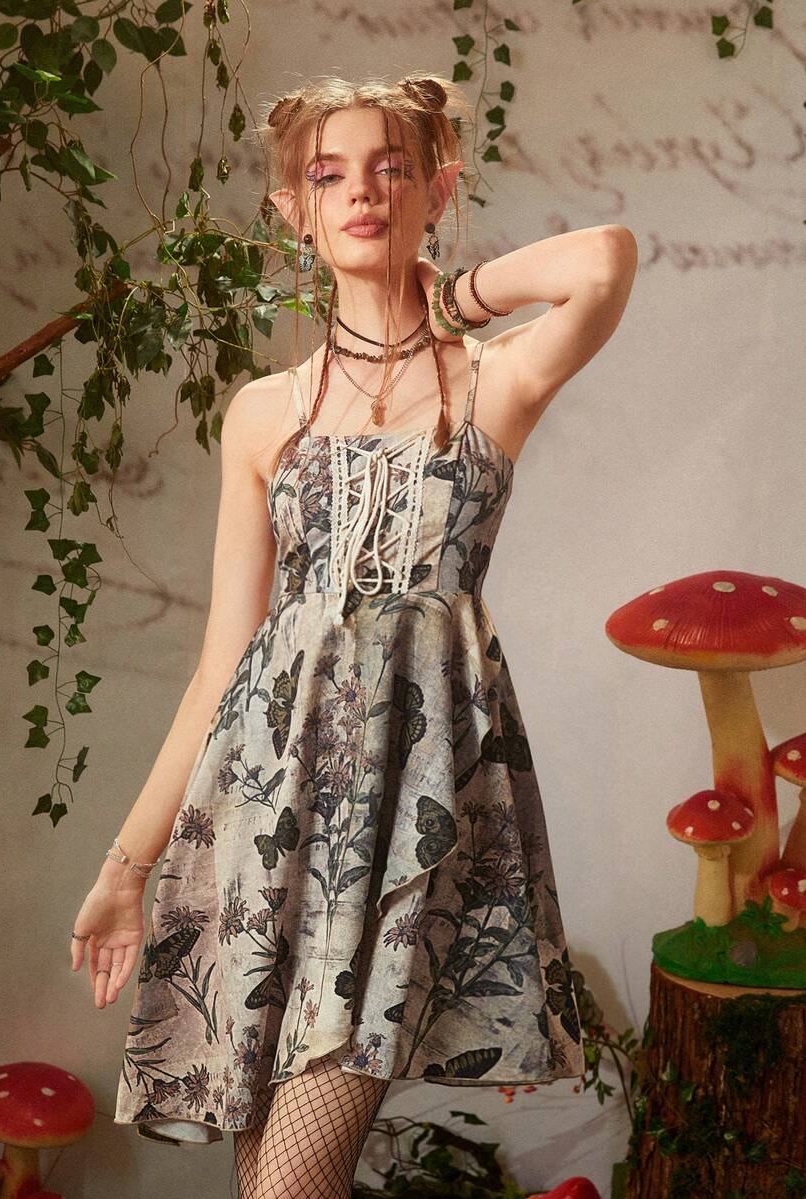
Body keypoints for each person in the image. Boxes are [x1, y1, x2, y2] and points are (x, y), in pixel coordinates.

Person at [69, 74, 636, 1199]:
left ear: (438, 189)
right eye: (330, 176)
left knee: (288, 1187)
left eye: (392, 168)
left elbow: (604, 259)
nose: (363, 193)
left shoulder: (495, 382)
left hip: (413, 825)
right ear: (296, 211)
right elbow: (224, 663)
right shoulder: (262, 413)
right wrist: (125, 867)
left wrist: (452, 298)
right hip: (265, 828)